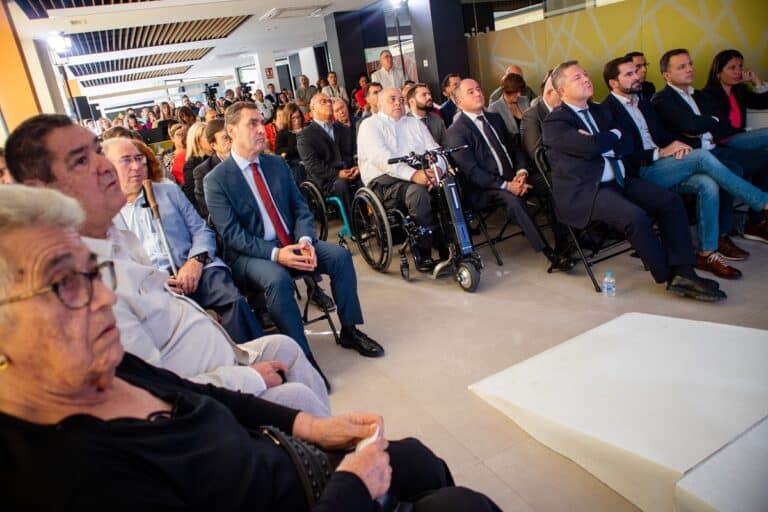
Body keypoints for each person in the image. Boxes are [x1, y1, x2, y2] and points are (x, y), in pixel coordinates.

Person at [0, 185, 501, 512]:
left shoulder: (107, 367)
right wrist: (352, 487)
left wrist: (311, 426)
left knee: (416, 458)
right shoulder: (65, 475)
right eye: (65, 282)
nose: (106, 297)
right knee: (462, 506)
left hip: (288, 463)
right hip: (311, 494)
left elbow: (207, 399)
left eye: (94, 274)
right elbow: (230, 237)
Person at [5, 114, 331, 414]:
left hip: (201, 278)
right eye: (81, 161)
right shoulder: (87, 279)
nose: (105, 167)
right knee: (297, 396)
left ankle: (334, 432)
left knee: (276, 338)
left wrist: (195, 261)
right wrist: (250, 379)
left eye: (98, 152)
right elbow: (156, 387)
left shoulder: (120, 234)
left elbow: (201, 231)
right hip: (202, 397)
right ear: (42, 193)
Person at [205, 101, 384, 361]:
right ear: (231, 131)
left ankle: (349, 330)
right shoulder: (217, 180)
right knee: (277, 279)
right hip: (251, 256)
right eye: (252, 124)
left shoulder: (276, 164)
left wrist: (305, 240)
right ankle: (301, 355)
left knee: (340, 257)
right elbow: (233, 236)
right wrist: (278, 254)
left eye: (261, 122)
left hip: (293, 242)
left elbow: (301, 208)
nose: (261, 130)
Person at [542, 60, 724, 302]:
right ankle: (669, 276)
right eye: (577, 78)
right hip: (588, 190)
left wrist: (606, 140)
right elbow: (589, 147)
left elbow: (627, 143)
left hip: (620, 180)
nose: (586, 79)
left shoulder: (600, 110)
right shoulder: (555, 122)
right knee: (635, 216)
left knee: (670, 202)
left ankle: (684, 270)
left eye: (585, 74)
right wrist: (607, 139)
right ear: (562, 90)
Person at [602, 55, 768, 279]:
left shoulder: (643, 103)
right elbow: (622, 154)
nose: (638, 76)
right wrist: (659, 152)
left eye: (637, 71)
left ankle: (707, 252)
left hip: (664, 165)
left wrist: (674, 145)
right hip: (641, 171)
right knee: (701, 156)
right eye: (629, 74)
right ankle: (761, 201)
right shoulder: (607, 111)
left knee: (707, 183)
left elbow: (661, 135)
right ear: (613, 83)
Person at [104, 137, 268, 345]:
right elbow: (118, 268)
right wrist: (154, 281)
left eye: (139, 158)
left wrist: (195, 262)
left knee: (232, 300)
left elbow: (201, 230)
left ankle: (252, 357)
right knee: (180, 329)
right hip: (153, 284)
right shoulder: (106, 213)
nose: (136, 166)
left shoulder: (168, 191)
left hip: (197, 267)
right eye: (126, 160)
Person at [446, 79, 572, 271]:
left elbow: (515, 148)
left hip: (515, 176)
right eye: (470, 92)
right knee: (514, 201)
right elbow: (472, 172)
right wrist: (507, 185)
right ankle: (549, 253)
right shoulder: (456, 132)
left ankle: (565, 241)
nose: (478, 94)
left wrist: (521, 172)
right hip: (486, 188)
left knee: (551, 184)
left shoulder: (494, 118)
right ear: (459, 101)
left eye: (478, 89)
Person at [652, 48, 768, 243]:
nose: (689, 69)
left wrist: (705, 122)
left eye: (690, 64)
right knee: (730, 171)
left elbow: (717, 122)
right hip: (695, 155)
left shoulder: (698, 95)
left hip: (714, 148)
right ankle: (725, 234)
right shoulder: (662, 99)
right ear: (667, 75)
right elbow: (692, 125)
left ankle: (752, 223)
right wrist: (705, 122)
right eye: (682, 67)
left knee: (762, 159)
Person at [358, 87, 447, 271]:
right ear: (380, 103)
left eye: (400, 99)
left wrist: (437, 169)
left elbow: (435, 149)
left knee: (449, 185)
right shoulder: (370, 125)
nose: (398, 102)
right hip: (384, 181)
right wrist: (414, 175)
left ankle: (449, 243)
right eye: (392, 99)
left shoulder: (414, 123)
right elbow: (382, 159)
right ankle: (423, 251)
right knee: (418, 193)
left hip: (419, 173)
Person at [298, 93, 361, 215]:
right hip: (326, 181)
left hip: (349, 172)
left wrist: (356, 167)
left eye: (329, 101)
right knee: (342, 184)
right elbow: (313, 165)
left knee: (365, 177)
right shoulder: (305, 135)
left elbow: (353, 153)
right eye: (323, 102)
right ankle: (356, 228)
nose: (328, 104)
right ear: (313, 108)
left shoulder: (341, 128)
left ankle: (375, 219)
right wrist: (337, 174)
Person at [702, 49, 768, 152]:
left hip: (741, 136)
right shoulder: (709, 95)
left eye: (740, 66)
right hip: (724, 141)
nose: (738, 72)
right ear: (718, 73)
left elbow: (763, 103)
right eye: (732, 68)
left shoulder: (739, 92)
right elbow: (720, 129)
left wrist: (756, 81)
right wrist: (744, 131)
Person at [194, 119, 230, 219]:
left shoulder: (249, 159)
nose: (231, 141)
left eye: (232, 135)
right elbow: (211, 212)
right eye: (225, 138)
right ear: (214, 145)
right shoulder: (204, 172)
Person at [488, 73, 531, 143]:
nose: (519, 94)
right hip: (512, 147)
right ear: (506, 90)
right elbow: (498, 136)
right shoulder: (494, 108)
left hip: (529, 142)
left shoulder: (524, 100)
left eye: (520, 91)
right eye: (516, 91)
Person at [182, 121, 212, 205]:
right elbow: (195, 198)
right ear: (197, 141)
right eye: (207, 137)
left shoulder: (216, 156)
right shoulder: (191, 165)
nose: (212, 139)